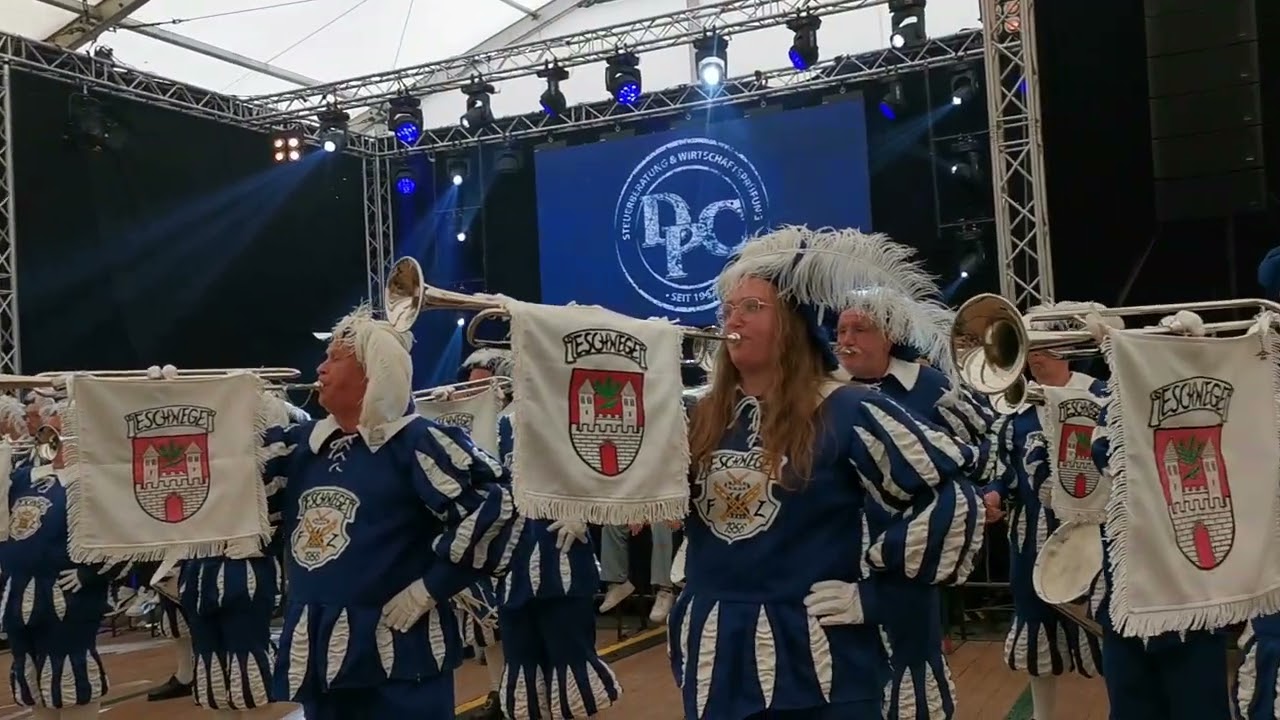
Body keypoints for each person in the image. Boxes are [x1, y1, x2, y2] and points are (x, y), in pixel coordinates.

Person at [672, 226, 988, 720]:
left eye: (753, 306)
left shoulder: (847, 407)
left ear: (794, 326)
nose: (733, 318)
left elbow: (949, 494)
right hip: (718, 654)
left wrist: (878, 596)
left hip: (817, 659)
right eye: (728, 308)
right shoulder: (698, 415)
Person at [260, 305, 522, 719]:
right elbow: (240, 497)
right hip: (323, 648)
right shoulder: (303, 446)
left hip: (401, 650)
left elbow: (495, 509)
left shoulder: (416, 441)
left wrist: (431, 588)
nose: (321, 368)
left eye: (334, 357)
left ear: (372, 370)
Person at [834, 293, 997, 720]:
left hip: (908, 559)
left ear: (890, 337)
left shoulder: (932, 387)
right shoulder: (823, 389)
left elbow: (989, 447)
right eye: (841, 330)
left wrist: (987, 496)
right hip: (832, 557)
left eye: (860, 329)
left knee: (909, 659)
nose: (847, 340)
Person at [981, 303, 1107, 720]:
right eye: (1029, 348)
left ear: (1066, 349)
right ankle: (1042, 716)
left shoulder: (1101, 396)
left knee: (1103, 620)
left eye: (1043, 347)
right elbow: (1002, 473)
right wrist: (995, 496)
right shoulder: (1014, 411)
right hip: (1031, 538)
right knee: (1036, 623)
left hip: (1095, 531)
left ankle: (1119, 706)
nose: (1034, 356)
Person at [1090, 402, 1232, 719]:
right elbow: (1105, 457)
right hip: (1127, 601)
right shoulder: (1115, 401)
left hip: (1194, 604)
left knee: (1200, 711)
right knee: (1130, 709)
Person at [0, 400, 130, 719]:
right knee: (35, 678)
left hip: (66, 599)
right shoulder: (22, 478)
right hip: (19, 597)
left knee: (71, 673)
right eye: (46, 432)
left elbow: (122, 540)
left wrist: (91, 575)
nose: (49, 440)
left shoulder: (92, 484)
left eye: (59, 433)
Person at [495, 407, 622, 719]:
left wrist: (586, 509)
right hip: (511, 566)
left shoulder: (571, 416)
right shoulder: (497, 425)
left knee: (571, 661)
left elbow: (607, 468)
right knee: (521, 664)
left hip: (563, 560)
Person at [598, 520, 679, 623]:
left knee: (661, 524)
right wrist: (636, 513)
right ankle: (617, 583)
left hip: (668, 512)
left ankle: (665, 590)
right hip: (641, 509)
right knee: (612, 522)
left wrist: (646, 517)